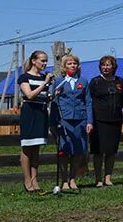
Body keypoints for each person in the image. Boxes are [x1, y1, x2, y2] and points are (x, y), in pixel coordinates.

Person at [50, 54, 93, 192]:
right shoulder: (59, 82)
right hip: (64, 121)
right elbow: (53, 103)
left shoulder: (84, 82)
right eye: (69, 64)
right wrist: (53, 123)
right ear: (64, 66)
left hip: (80, 120)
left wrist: (89, 121)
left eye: (75, 63)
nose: (72, 66)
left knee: (78, 150)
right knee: (64, 151)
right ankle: (64, 180)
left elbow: (88, 103)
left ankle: (73, 178)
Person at [17, 50, 55, 193]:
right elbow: (30, 95)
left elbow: (43, 96)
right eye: (42, 61)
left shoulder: (44, 77)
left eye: (46, 61)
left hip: (41, 113)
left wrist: (53, 94)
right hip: (30, 114)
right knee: (27, 148)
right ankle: (27, 180)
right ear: (34, 61)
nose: (45, 64)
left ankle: (35, 179)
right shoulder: (24, 77)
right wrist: (44, 83)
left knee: (36, 148)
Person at [89, 55, 123, 187]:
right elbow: (90, 100)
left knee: (111, 151)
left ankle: (108, 177)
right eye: (103, 65)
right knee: (98, 151)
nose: (105, 67)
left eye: (108, 65)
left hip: (115, 120)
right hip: (98, 120)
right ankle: (98, 178)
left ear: (113, 67)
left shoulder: (120, 82)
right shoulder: (95, 82)